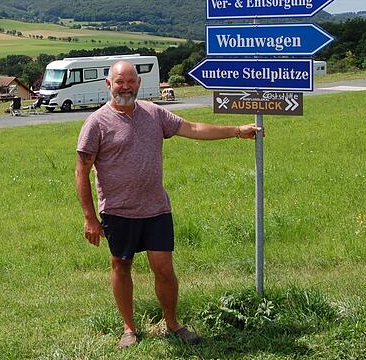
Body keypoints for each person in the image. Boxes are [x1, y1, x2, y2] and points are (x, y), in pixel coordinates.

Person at [75, 60, 262, 348]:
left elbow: (194, 128)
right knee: (121, 266)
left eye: (130, 81)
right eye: (119, 81)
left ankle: (172, 323)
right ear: (108, 85)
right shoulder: (96, 123)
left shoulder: (153, 113)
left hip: (156, 209)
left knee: (163, 269)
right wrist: (89, 217)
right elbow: (81, 171)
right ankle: (129, 328)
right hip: (117, 211)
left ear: (138, 84)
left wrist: (237, 130)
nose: (125, 87)